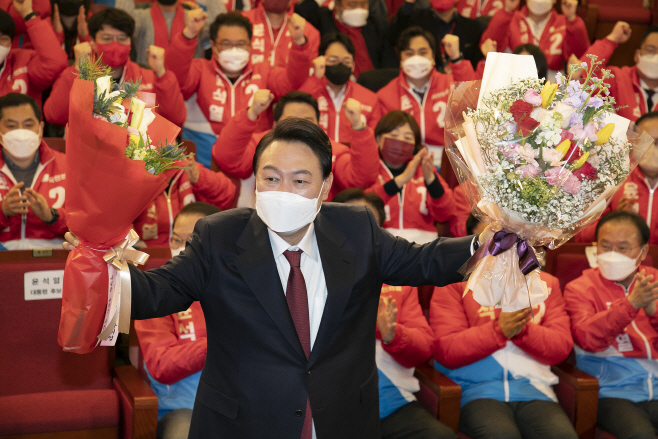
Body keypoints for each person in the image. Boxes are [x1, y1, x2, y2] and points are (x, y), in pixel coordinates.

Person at [64, 117, 479, 439]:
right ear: (257, 182)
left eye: (300, 181)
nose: (283, 191)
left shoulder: (356, 229)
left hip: (339, 420)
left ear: (326, 186)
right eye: (271, 178)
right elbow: (160, 292)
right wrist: (99, 267)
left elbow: (424, 262)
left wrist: (488, 243)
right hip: (244, 421)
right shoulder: (220, 236)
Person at [334, 188, 457, 439]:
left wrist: (392, 334)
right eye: (349, 227)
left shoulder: (398, 284)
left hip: (391, 404)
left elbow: (424, 348)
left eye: (366, 228)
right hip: (335, 410)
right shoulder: (312, 278)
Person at [431, 271, 577, 438]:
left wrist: (522, 330)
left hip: (535, 390)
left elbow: (561, 348)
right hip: (475, 391)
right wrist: (499, 330)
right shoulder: (455, 281)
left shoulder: (546, 282)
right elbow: (446, 350)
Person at [164, 10, 313, 168]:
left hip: (251, 167)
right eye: (227, 44)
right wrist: (189, 34)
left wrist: (298, 41)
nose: (234, 50)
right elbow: (174, 79)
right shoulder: (199, 70)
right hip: (202, 168)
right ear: (213, 46)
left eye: (240, 44)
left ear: (250, 45)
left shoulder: (264, 72)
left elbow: (292, 82)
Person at [564, 211, 658, 439]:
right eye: (606, 246)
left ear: (643, 251)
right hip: (611, 390)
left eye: (623, 248)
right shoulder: (579, 288)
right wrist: (631, 304)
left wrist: (654, 313)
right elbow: (588, 339)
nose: (613, 255)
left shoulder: (653, 281)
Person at [135, 202, 220, 439]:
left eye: (191, 242)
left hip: (240, 408)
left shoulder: (242, 290)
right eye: (175, 240)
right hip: (182, 411)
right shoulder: (157, 293)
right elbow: (161, 365)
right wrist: (218, 342)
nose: (181, 250)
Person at [212, 91, 379, 206]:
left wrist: (358, 127)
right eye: (292, 119)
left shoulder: (332, 150)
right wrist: (252, 112)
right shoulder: (261, 143)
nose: (300, 126)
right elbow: (227, 158)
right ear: (275, 124)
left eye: (308, 120)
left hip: (318, 227)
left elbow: (361, 179)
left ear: (319, 125)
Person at [44, 8, 187, 129]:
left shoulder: (149, 77)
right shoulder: (77, 74)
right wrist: (79, 71)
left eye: (122, 38)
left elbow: (176, 119)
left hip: (136, 155)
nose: (115, 44)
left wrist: (162, 74)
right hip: (89, 155)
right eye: (106, 38)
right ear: (92, 43)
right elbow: (53, 115)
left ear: (131, 43)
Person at [377, 26, 476, 167]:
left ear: (433, 56)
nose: (416, 59)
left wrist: (456, 59)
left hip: (451, 164)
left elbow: (472, 102)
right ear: (400, 59)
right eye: (410, 54)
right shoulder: (385, 95)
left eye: (423, 53)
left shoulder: (450, 84)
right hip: (405, 164)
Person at [365, 110, 456, 243]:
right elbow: (364, 209)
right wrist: (401, 180)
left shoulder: (425, 171)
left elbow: (446, 213)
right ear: (378, 139)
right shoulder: (368, 170)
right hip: (380, 246)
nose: (400, 141)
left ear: (415, 146)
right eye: (394, 135)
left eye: (407, 138)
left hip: (423, 250)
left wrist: (431, 180)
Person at [575, 111, 658, 244]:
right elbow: (580, 236)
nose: (652, 148)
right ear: (633, 142)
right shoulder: (612, 177)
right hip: (617, 260)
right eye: (646, 141)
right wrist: (614, 220)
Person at [0, 94, 67, 250]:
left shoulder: (68, 167)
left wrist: (52, 217)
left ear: (40, 128)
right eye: (11, 126)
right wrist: (2, 212)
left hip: (55, 263)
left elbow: (86, 228)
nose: (21, 133)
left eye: (28, 125)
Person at [133, 155, 237, 247]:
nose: (164, 152)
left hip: (191, 250)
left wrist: (199, 178)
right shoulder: (136, 177)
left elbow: (228, 194)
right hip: (148, 255)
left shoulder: (188, 170)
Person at [300, 32, 381, 144]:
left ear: (353, 65)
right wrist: (315, 79)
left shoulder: (370, 99)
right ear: (322, 60)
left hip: (351, 159)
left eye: (346, 61)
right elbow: (296, 114)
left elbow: (373, 142)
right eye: (333, 60)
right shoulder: (310, 88)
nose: (340, 65)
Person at [480, 0, 589, 82]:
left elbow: (580, 58)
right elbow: (490, 49)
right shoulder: (511, 18)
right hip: (514, 83)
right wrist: (507, 10)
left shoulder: (565, 22)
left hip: (553, 86)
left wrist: (571, 19)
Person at [294, 0, 397, 77]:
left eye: (363, 4)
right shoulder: (323, 18)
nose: (358, 9)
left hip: (371, 84)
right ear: (337, 5)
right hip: (334, 80)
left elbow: (389, 64)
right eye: (352, 5)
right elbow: (300, 12)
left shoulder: (377, 24)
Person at [113, 0, 226, 67]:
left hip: (189, 88)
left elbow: (222, 25)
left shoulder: (195, 18)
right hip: (148, 85)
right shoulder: (141, 17)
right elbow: (120, 23)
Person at [580, 22, 656, 121]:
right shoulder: (618, 78)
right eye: (650, 50)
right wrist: (612, 39)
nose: (656, 57)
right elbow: (583, 77)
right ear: (637, 55)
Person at [0, 2, 67, 105]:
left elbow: (55, 63)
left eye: (3, 39)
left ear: (10, 43)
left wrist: (29, 15)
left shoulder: (23, 60)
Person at [390, 0, 484, 70]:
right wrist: (408, 3)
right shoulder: (415, 21)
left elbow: (476, 67)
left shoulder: (472, 27)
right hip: (425, 80)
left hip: (461, 85)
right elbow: (393, 38)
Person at [241, 0, 320, 68]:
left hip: (290, 85)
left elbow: (307, 77)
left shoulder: (308, 32)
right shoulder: (240, 23)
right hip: (248, 84)